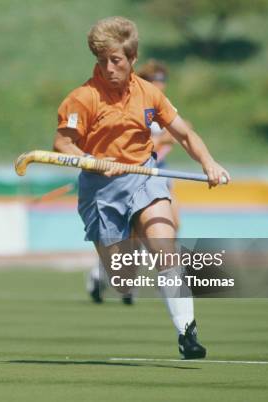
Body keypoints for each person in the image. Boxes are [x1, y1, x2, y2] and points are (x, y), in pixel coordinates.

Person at [54, 17, 229, 359]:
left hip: (144, 176)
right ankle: (102, 277)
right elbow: (63, 144)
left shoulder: (149, 93)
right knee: (123, 279)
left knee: (165, 244)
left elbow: (184, 133)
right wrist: (89, 159)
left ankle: (187, 332)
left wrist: (208, 162)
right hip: (100, 190)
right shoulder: (82, 98)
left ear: (133, 59)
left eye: (116, 60)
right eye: (102, 61)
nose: (108, 69)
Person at [85, 59, 181, 306]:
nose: (160, 87)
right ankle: (103, 275)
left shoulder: (162, 105)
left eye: (162, 83)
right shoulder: (133, 104)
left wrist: (163, 142)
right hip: (132, 177)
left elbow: (179, 130)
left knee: (171, 225)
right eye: (155, 82)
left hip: (160, 175)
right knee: (130, 236)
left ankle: (159, 278)